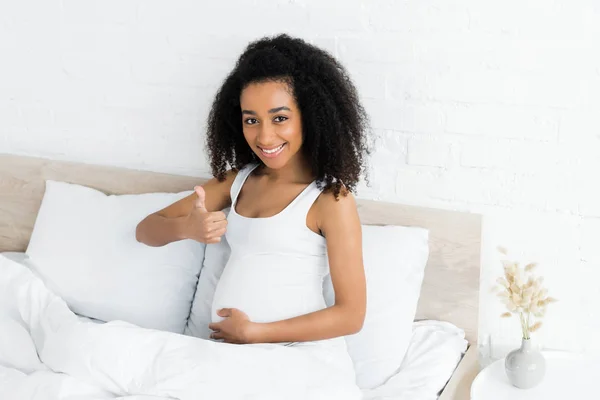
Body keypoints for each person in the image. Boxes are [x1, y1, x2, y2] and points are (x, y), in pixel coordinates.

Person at [136, 33, 369, 369]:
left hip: (296, 357)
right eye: (251, 120)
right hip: (230, 354)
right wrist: (188, 228)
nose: (264, 136)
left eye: (280, 118)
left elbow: (351, 315)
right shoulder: (238, 181)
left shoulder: (330, 199)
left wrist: (255, 333)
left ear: (310, 116)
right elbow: (145, 231)